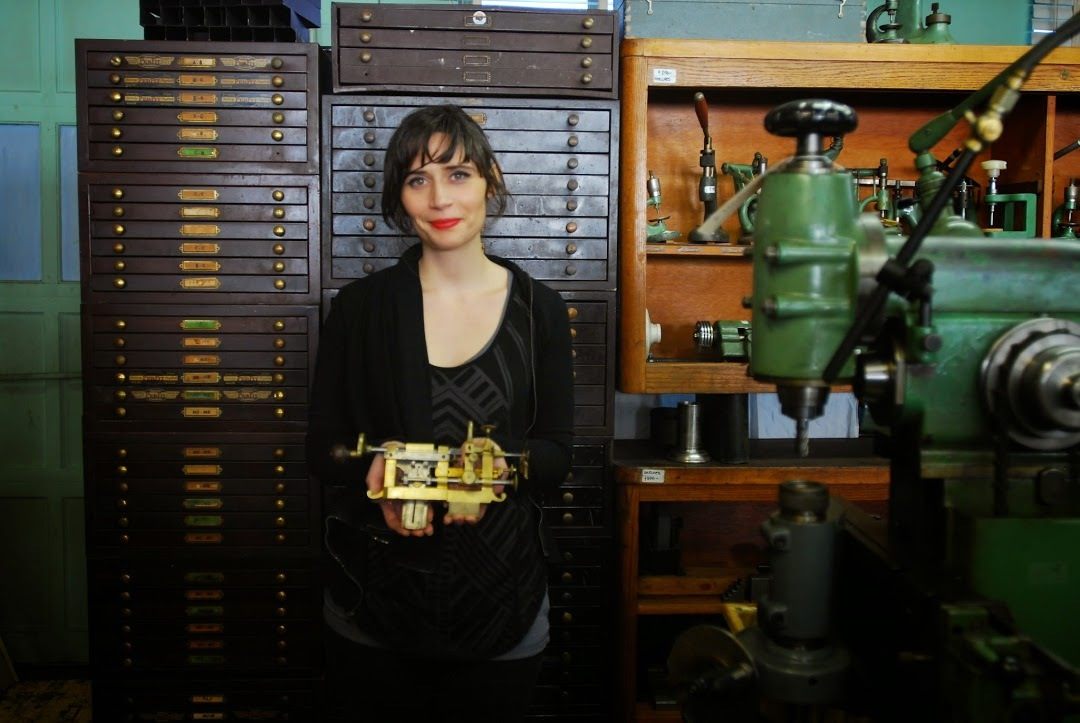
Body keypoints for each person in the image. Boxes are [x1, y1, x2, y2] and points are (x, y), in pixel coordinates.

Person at [307, 104, 574, 723]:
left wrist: (498, 470)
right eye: (417, 179)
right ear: (400, 197)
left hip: (503, 598)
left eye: (457, 174)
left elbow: (558, 452)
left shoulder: (540, 310)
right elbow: (320, 447)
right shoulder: (360, 309)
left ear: (491, 179)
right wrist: (376, 470)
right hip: (374, 599)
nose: (439, 197)